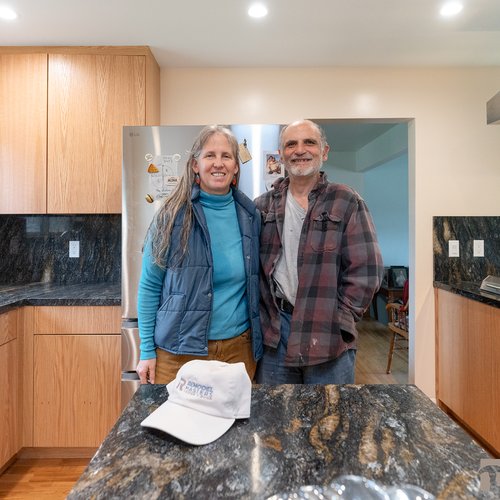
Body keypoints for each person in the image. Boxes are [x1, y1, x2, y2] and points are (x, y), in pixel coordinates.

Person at [254, 119, 384, 384]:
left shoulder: (346, 200)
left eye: (309, 142)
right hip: (275, 336)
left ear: (324, 152)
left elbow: (367, 270)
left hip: (328, 335)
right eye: (291, 144)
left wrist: (341, 317)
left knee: (329, 420)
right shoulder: (262, 206)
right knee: (277, 419)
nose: (300, 150)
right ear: (281, 155)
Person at [136, 125, 262, 385]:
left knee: (235, 425)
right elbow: (149, 285)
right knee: (176, 425)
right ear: (195, 165)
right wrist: (147, 349)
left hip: (238, 351)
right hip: (178, 352)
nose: (219, 164)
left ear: (236, 166)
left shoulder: (250, 216)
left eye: (226, 156)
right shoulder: (171, 216)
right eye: (210, 156)